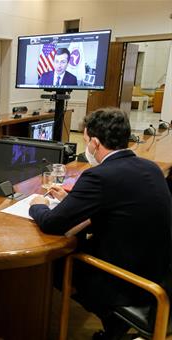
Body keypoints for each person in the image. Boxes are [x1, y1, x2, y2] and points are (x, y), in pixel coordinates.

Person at [29, 108, 172, 339]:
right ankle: (115, 326)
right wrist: (72, 202)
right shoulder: (150, 168)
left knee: (51, 263)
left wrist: (37, 205)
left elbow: (53, 224)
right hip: (159, 272)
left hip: (128, 284)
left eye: (86, 141)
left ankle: (113, 321)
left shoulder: (100, 176)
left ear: (95, 143)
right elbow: (121, 212)